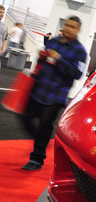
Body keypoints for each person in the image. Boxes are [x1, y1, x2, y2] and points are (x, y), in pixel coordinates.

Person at [21, 16, 87, 171]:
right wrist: (42, 57)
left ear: (78, 30)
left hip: (56, 95)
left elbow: (77, 74)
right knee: (26, 117)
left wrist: (60, 59)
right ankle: (41, 139)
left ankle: (36, 159)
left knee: (44, 126)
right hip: (39, 88)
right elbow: (43, 62)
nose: (68, 28)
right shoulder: (54, 41)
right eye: (67, 25)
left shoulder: (80, 51)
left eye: (73, 27)